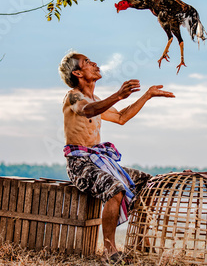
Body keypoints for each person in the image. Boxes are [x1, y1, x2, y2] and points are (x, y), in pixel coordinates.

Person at [58, 51, 175, 262]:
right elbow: (88, 111)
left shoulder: (96, 100)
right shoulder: (73, 96)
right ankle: (110, 251)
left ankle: (141, 243)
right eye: (87, 62)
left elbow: (121, 117)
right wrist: (118, 95)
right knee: (116, 189)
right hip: (80, 164)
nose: (94, 63)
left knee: (150, 183)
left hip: (101, 161)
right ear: (77, 72)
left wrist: (146, 95)